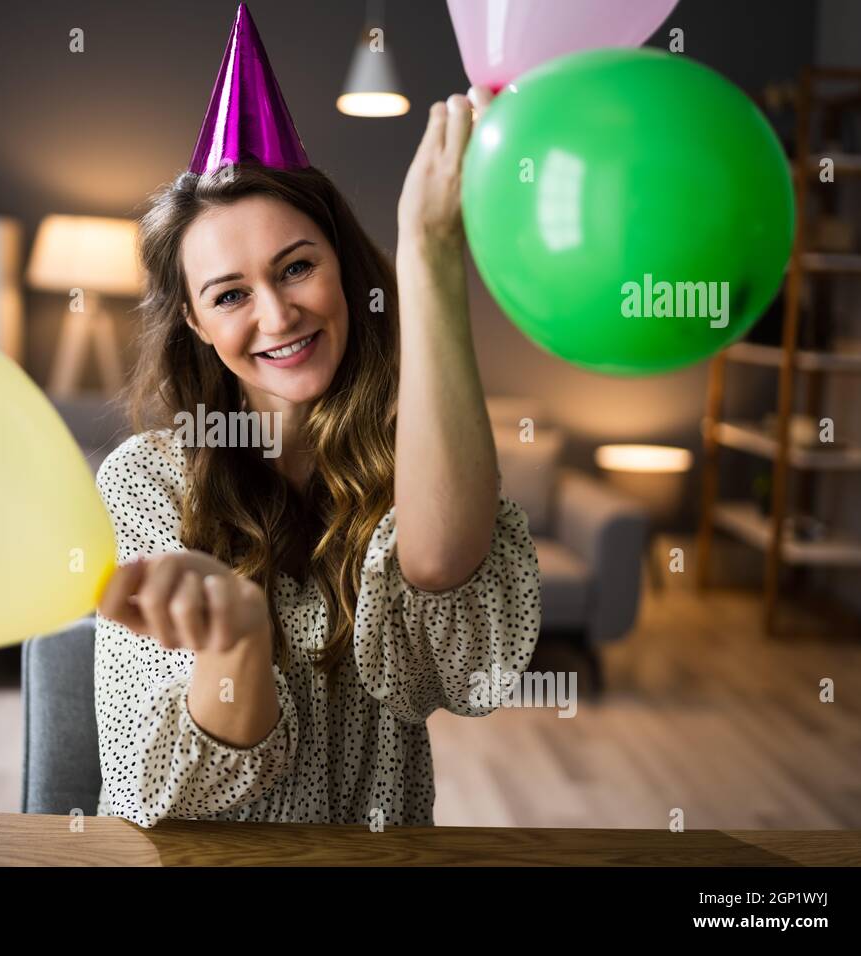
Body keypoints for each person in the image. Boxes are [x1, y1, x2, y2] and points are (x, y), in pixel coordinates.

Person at [94, 3, 541, 829]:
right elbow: (158, 790)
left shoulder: (416, 455)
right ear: (195, 322)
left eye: (297, 267)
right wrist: (237, 637)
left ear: (343, 269)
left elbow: (454, 628)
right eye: (230, 294)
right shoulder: (149, 480)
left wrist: (430, 251)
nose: (277, 315)